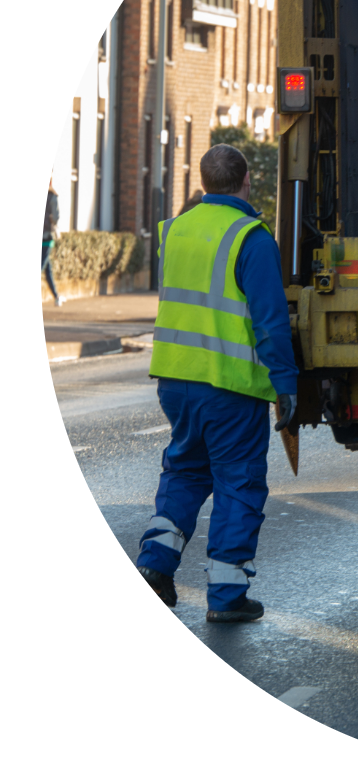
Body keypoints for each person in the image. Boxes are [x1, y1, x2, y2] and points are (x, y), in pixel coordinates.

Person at [135, 144, 298, 622]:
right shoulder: (252, 237)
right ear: (246, 180)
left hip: (175, 380)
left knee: (185, 471)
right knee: (238, 483)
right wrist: (285, 384)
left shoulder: (175, 231)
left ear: (205, 183)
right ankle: (226, 598)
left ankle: (153, 567)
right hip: (229, 386)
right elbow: (270, 321)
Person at [42, 179, 64, 306]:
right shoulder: (52, 197)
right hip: (47, 236)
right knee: (41, 267)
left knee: (47, 268)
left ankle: (56, 296)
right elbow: (55, 218)